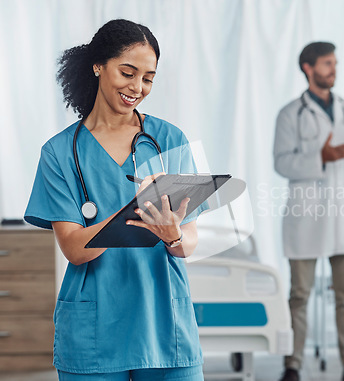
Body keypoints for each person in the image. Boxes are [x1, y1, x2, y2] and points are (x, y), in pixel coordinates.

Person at [24, 19, 206, 381]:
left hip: (164, 324)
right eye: (128, 72)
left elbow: (188, 243)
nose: (137, 87)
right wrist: (136, 210)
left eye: (148, 78)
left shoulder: (170, 140)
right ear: (98, 66)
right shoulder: (60, 153)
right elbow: (75, 249)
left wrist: (173, 235)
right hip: (95, 327)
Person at [273, 41, 344, 381]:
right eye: (326, 63)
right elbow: (281, 162)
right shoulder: (291, 113)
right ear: (308, 68)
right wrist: (321, 157)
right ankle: (293, 365)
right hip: (307, 217)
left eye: (334, 63)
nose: (333, 69)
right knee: (300, 296)